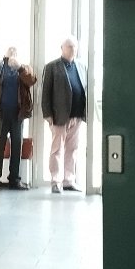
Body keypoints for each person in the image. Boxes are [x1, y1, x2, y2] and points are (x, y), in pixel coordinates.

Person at [41, 36, 88, 193]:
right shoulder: (52, 67)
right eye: (69, 46)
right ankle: (56, 181)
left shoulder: (81, 66)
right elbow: (45, 92)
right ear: (62, 48)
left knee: (72, 149)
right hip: (59, 116)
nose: (72, 49)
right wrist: (47, 114)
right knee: (57, 149)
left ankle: (69, 180)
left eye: (74, 47)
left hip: (77, 115)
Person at [0, 47, 27, 189]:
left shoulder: (22, 69)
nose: (13, 54)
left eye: (15, 53)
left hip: (17, 114)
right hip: (2, 114)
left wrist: (19, 67)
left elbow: (31, 80)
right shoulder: (0, 68)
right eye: (10, 52)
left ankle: (14, 179)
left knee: (17, 146)